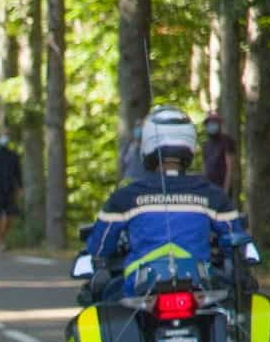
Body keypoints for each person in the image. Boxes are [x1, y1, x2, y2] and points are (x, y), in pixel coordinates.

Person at [81, 105, 250, 305]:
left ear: (147, 142)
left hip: (139, 289)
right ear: (190, 143)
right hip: (200, 285)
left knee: (103, 298)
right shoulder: (212, 195)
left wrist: (96, 262)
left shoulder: (126, 197)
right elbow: (237, 242)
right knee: (235, 297)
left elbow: (100, 246)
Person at [201, 111, 239, 197]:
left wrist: (226, 189)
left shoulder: (227, 141)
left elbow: (230, 167)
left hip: (222, 187)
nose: (212, 126)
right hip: (209, 187)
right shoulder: (206, 144)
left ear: (219, 124)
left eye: (214, 123)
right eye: (209, 123)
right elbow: (204, 167)